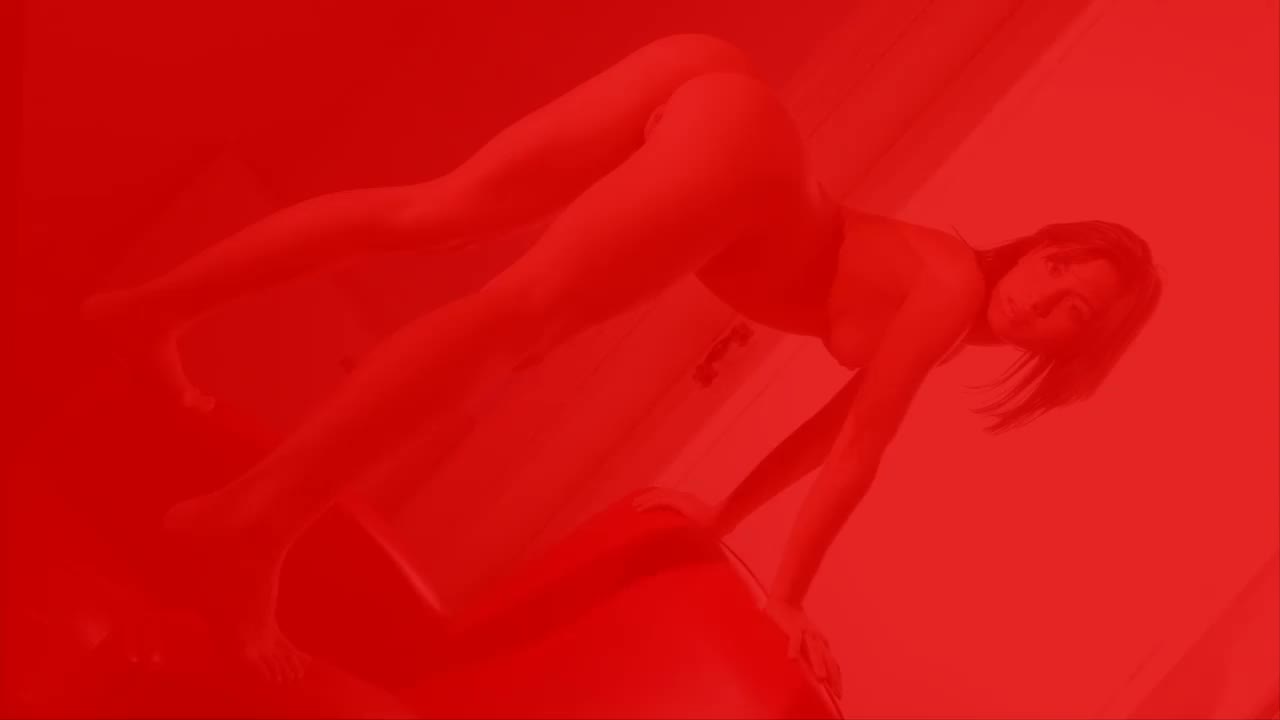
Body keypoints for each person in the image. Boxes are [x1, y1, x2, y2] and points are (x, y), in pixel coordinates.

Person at [81, 33, 1163, 685]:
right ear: (1039, 242)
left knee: (433, 215)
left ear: (1067, 356)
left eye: (1071, 312)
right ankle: (251, 522)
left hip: (712, 85)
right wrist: (789, 600)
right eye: (1059, 264)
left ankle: (142, 312)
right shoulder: (950, 289)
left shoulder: (935, 299)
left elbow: (825, 434)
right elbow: (858, 458)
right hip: (744, 166)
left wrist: (726, 519)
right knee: (511, 321)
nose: (1045, 295)